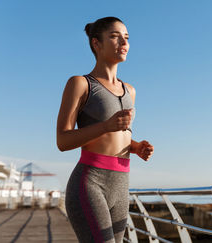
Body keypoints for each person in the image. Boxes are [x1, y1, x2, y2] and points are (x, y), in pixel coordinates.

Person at [56, 16, 154, 243]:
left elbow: (120, 135)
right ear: (96, 44)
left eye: (127, 38)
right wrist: (106, 126)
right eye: (115, 36)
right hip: (90, 183)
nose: (124, 43)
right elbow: (62, 141)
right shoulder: (80, 84)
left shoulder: (130, 90)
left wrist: (136, 146)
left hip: (121, 183)